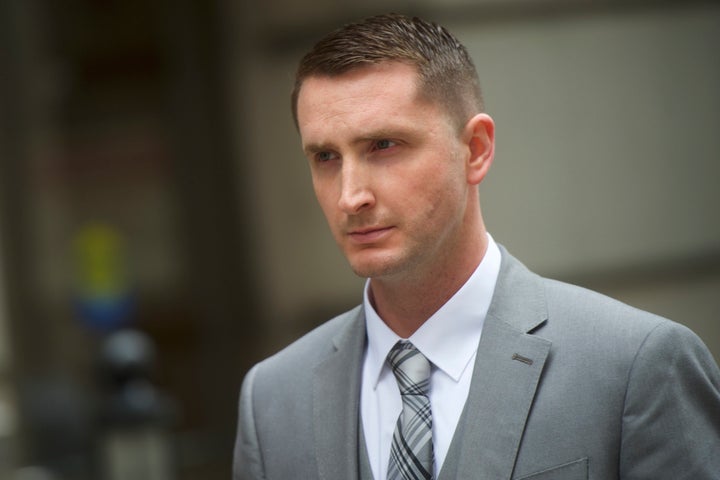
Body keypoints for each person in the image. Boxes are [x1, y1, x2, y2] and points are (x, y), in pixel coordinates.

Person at [233, 13, 720, 480]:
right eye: (325, 156)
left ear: (476, 149)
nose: (350, 196)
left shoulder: (634, 366)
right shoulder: (273, 400)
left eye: (384, 145)